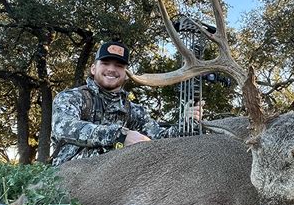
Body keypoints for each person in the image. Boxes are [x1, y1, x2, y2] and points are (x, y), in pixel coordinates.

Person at [51, 41, 202, 166]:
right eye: (105, 63)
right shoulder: (72, 97)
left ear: (126, 73)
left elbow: (159, 139)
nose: (111, 69)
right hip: (67, 179)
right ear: (93, 68)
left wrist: (187, 122)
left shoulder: (134, 111)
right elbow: (63, 127)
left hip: (115, 181)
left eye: (119, 66)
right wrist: (121, 136)